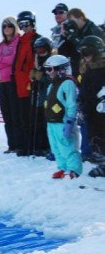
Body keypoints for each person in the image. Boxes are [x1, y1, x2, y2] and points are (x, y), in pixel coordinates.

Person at [43, 55, 82, 179]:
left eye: (50, 69)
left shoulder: (68, 83)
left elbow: (71, 104)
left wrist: (70, 121)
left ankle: (74, 169)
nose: (48, 72)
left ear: (61, 69)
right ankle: (63, 168)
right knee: (56, 148)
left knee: (67, 146)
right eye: (46, 69)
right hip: (52, 122)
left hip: (63, 122)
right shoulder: (52, 85)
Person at [13, 11, 41, 157]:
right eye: (21, 24)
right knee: (22, 115)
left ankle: (35, 144)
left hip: (30, 82)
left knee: (32, 116)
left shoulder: (36, 39)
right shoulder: (21, 40)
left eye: (27, 24)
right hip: (19, 83)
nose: (24, 27)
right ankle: (24, 144)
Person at [77, 36, 105, 177]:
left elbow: (95, 93)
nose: (84, 56)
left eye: (87, 52)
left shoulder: (101, 69)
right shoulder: (90, 69)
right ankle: (101, 163)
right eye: (82, 53)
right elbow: (85, 90)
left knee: (101, 136)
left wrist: (85, 107)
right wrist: (80, 104)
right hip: (90, 111)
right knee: (94, 137)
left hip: (100, 111)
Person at [0, 17, 21, 154]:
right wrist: (6, 60)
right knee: (6, 113)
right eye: (4, 27)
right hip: (2, 81)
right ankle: (11, 144)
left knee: (15, 113)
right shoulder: (0, 45)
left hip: (13, 80)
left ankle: (19, 143)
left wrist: (4, 60)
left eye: (9, 26)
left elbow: (14, 59)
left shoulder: (18, 41)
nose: (7, 29)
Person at [30, 36, 54, 157]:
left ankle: (49, 146)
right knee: (38, 121)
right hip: (39, 95)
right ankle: (40, 145)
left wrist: (41, 77)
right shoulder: (37, 60)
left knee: (46, 121)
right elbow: (33, 75)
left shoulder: (52, 60)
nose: (40, 52)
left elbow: (51, 77)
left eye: (42, 49)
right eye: (38, 50)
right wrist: (35, 77)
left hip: (49, 96)